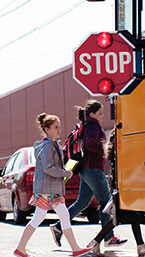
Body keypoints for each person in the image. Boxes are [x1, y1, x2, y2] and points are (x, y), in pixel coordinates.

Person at [13, 113, 94, 257]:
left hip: (49, 189)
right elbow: (48, 167)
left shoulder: (50, 145)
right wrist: (65, 172)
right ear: (47, 129)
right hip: (48, 190)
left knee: (49, 217)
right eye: (56, 127)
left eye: (59, 126)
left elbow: (50, 167)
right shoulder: (47, 146)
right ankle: (21, 248)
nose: (59, 129)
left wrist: (63, 170)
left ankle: (21, 248)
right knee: (53, 217)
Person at [50, 100, 126, 248]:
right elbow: (90, 144)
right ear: (92, 114)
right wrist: (105, 148)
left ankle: (58, 227)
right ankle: (109, 237)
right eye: (100, 113)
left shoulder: (87, 125)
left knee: (82, 202)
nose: (102, 115)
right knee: (106, 202)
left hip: (86, 169)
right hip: (93, 169)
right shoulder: (93, 126)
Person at [86, 128, 145, 257]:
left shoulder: (115, 152)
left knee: (131, 217)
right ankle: (95, 242)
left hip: (122, 188)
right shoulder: (121, 152)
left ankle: (141, 246)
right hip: (126, 188)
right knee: (120, 219)